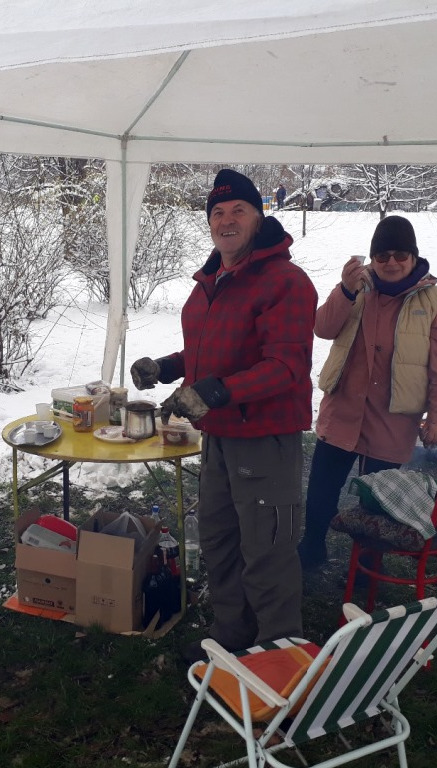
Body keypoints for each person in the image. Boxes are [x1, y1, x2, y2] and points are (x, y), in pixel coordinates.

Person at [130, 169, 317, 662]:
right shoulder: (213, 280)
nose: (226, 220)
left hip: (265, 438)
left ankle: (277, 653)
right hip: (218, 436)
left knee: (267, 551)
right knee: (219, 540)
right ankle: (232, 634)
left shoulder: (286, 282)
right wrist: (168, 367)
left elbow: (286, 366)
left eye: (238, 211)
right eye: (217, 213)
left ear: (259, 217)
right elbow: (212, 354)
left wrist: (212, 392)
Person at [296, 215, 437, 571]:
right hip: (343, 410)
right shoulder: (356, 289)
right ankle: (312, 549)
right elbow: (323, 328)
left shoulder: (436, 303)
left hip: (392, 419)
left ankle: (367, 570)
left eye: (400, 254)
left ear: (414, 257)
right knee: (322, 488)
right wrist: (343, 289)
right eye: (382, 255)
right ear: (372, 258)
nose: (391, 263)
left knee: (378, 502)